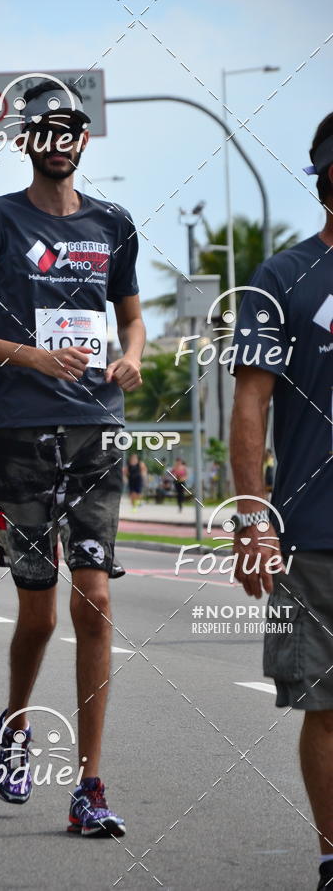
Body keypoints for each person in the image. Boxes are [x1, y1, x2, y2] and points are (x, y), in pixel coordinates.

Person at [0, 80, 145, 836]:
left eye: (70, 131)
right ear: (26, 140)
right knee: (38, 612)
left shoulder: (113, 222)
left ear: (83, 140)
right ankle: (17, 724)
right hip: (19, 439)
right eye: (44, 131)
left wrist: (129, 358)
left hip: (95, 429)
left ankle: (90, 785)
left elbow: (134, 320)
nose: (58, 142)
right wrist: (29, 356)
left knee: (93, 599)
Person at [230, 113, 333, 891]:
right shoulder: (281, 280)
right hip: (316, 533)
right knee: (326, 705)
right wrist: (253, 515)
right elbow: (250, 405)